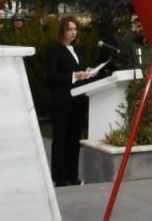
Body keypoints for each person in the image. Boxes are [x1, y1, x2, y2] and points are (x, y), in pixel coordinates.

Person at [47, 15, 94, 187]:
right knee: (61, 140)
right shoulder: (54, 49)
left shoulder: (76, 50)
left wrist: (87, 72)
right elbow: (51, 75)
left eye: (75, 29)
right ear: (62, 31)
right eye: (70, 29)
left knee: (74, 140)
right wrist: (75, 75)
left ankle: (73, 176)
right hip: (61, 102)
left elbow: (78, 71)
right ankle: (60, 178)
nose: (73, 33)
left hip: (77, 102)